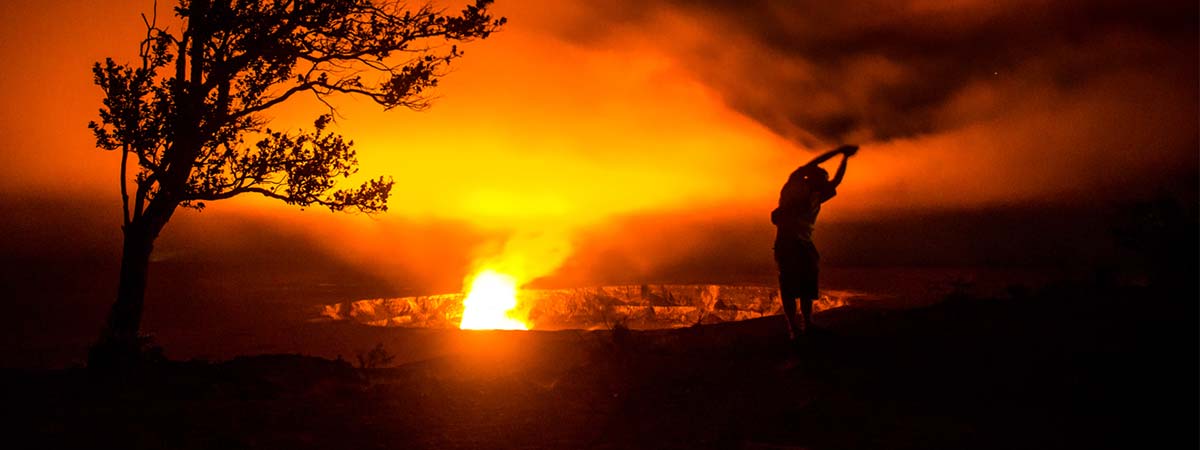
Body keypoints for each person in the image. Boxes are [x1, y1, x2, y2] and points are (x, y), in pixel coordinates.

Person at [772, 144, 857, 340]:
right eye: (821, 179)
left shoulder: (816, 196)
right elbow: (814, 165)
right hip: (788, 243)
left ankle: (806, 325)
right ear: (813, 178)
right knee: (790, 286)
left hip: (803, 244)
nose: (825, 183)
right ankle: (795, 328)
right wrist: (839, 153)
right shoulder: (793, 187)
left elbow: (837, 181)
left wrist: (844, 159)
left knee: (806, 285)